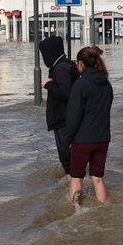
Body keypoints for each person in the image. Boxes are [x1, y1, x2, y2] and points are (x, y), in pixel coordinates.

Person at [64, 46, 114, 205]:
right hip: (102, 138)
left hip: (82, 140)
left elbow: (73, 116)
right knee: (97, 178)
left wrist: (68, 139)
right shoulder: (107, 84)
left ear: (80, 64)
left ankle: (76, 214)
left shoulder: (80, 85)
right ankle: (104, 211)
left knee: (76, 178)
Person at [40, 36, 80, 177]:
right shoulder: (64, 65)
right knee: (71, 159)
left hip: (63, 121)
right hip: (66, 119)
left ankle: (73, 192)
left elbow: (65, 93)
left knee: (67, 161)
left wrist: (48, 84)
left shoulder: (61, 68)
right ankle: (74, 188)